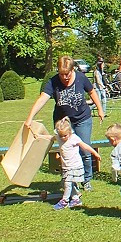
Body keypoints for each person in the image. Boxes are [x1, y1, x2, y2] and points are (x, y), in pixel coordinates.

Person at [25, 55, 105, 189]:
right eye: (61, 74)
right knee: (65, 151)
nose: (64, 77)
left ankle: (86, 179)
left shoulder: (81, 78)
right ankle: (69, 179)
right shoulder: (53, 81)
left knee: (84, 149)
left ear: (73, 69)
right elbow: (42, 99)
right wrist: (30, 118)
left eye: (67, 74)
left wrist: (100, 109)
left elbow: (92, 92)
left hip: (82, 119)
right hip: (63, 123)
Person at [53, 116, 100, 210]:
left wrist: (94, 153)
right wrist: (39, 136)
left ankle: (64, 201)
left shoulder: (74, 138)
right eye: (60, 135)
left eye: (65, 135)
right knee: (70, 183)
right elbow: (50, 138)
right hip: (66, 166)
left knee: (67, 183)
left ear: (70, 132)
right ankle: (75, 199)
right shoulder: (59, 137)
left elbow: (85, 146)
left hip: (74, 166)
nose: (63, 138)